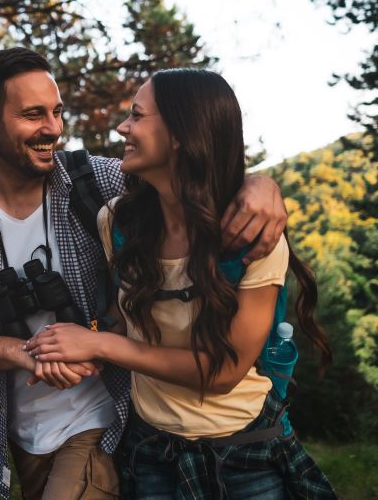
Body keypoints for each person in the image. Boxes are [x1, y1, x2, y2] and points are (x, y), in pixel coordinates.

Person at [0, 50, 288, 500]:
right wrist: (26, 352)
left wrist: (260, 185)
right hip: (18, 431)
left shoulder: (96, 182)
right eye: (33, 115)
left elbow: (192, 170)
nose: (53, 129)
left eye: (56, 112)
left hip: (101, 418)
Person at [25, 69, 337, 499]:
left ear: (178, 135)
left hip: (246, 453)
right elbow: (125, 322)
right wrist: (68, 347)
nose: (122, 127)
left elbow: (223, 372)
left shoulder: (253, 236)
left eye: (136, 116)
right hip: (153, 452)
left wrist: (99, 345)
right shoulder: (117, 221)